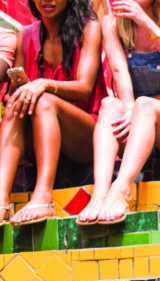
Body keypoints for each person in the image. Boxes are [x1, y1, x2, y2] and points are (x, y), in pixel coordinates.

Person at [76, 0, 160, 226]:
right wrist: (127, 107)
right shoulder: (112, 23)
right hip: (138, 120)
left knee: (145, 104)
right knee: (109, 105)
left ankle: (122, 189)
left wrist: (145, 22)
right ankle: (99, 194)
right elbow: (118, 71)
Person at [0, 0, 106, 226]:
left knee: (44, 100)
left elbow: (85, 88)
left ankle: (43, 196)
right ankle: (1, 200)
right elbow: (10, 94)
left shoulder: (89, 29)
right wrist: (23, 92)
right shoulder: (26, 36)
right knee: (15, 104)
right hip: (39, 133)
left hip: (85, 136)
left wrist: (44, 85)